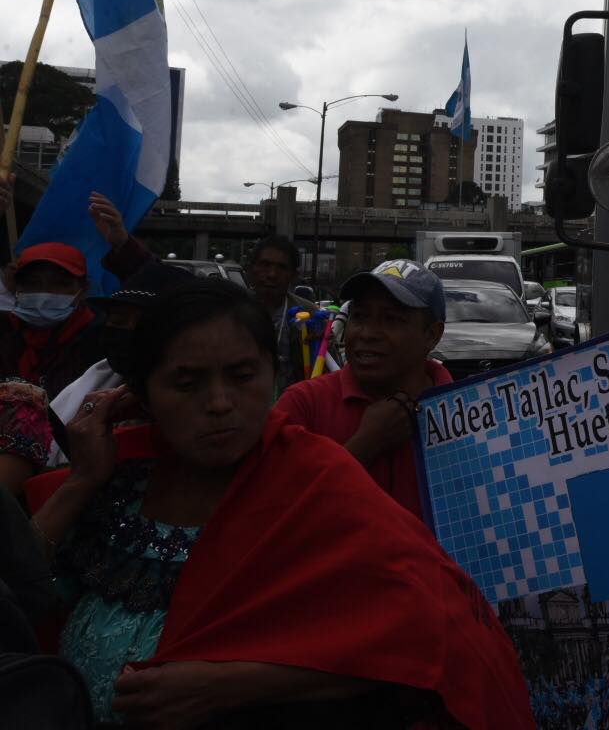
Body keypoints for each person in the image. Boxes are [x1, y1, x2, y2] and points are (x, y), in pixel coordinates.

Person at [26, 279, 530, 728]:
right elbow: (18, 593)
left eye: (243, 375)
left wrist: (229, 685)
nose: (220, 402)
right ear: (140, 395)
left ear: (272, 373)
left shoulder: (315, 482)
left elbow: (435, 636)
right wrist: (82, 482)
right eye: (187, 382)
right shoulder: (113, 482)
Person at [275, 259, 451, 520]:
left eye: (391, 319)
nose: (367, 333)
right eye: (359, 316)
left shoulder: (467, 415)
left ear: (432, 335)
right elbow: (272, 515)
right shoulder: (304, 406)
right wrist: (364, 446)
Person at [92, 195, 318, 393]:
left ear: (294, 275)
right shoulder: (226, 308)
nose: (271, 274)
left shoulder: (310, 317)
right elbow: (164, 280)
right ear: (249, 269)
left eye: (281, 267)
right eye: (265, 265)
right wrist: (122, 243)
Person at [47, 260, 194, 466]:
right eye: (118, 320)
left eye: (147, 324)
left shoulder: (209, 413)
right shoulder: (95, 380)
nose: (129, 332)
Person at [0, 243, 106, 496]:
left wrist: (123, 246)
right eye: (33, 283)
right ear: (16, 288)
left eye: (59, 284)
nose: (45, 293)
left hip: (70, 483)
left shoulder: (104, 341)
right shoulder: (4, 332)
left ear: (81, 290)